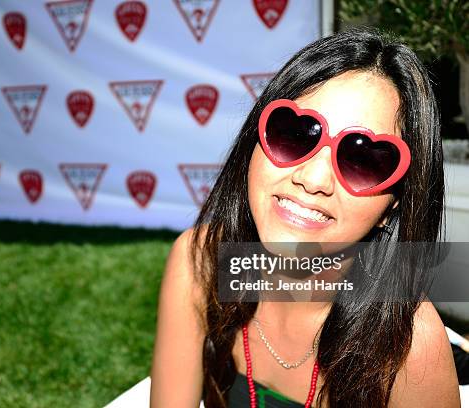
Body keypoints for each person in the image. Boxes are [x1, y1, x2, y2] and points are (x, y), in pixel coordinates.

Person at [150, 28, 461, 407]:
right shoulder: (199, 263)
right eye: (296, 133)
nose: (313, 179)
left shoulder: (412, 346)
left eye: (363, 159)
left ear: (393, 205)